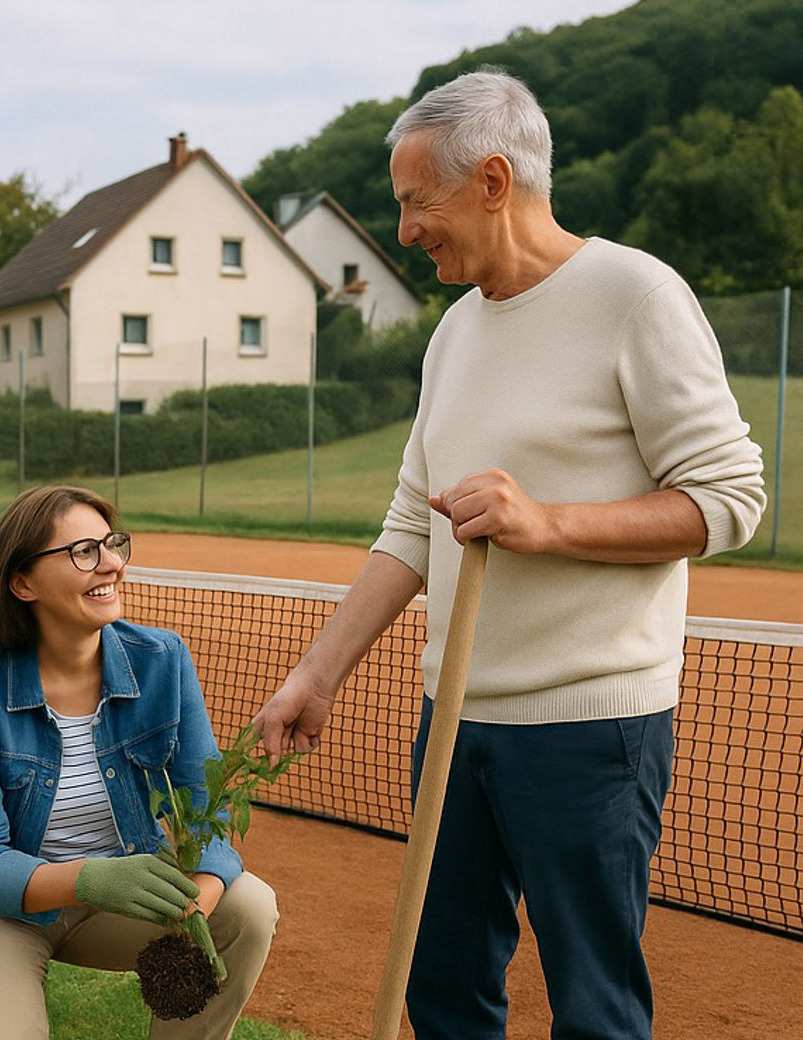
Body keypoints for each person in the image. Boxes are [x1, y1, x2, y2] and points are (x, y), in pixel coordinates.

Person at [253, 68, 766, 1040]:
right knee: (441, 985)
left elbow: (730, 499)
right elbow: (412, 520)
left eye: (416, 202)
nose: (404, 230)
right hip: (451, 721)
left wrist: (547, 521)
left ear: (493, 180)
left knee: (593, 1005)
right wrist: (317, 674)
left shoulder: (637, 296)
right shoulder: (451, 331)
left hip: (589, 729)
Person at [0, 484, 278, 1040]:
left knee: (247, 907)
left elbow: (206, 816)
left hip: (120, 898)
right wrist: (89, 879)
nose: (110, 564)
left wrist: (198, 900)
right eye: (84, 552)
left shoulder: (163, 661)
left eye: (112, 544)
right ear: (23, 583)